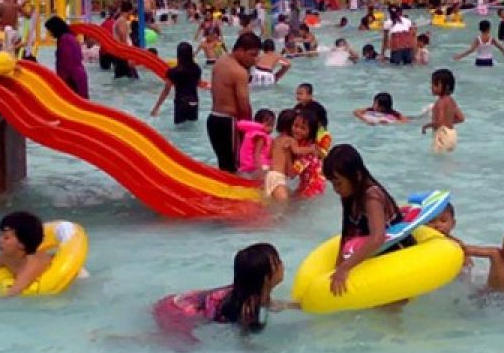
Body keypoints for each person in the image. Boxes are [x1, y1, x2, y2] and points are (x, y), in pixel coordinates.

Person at [323, 145, 410, 296]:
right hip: (377, 254)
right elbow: (347, 233)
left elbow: (378, 238)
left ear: (356, 175)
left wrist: (345, 268)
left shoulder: (371, 197)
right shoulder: (349, 195)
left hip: (397, 252)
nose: (335, 189)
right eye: (332, 184)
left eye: (338, 183)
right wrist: (337, 267)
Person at [154, 244, 292, 339]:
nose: (282, 265)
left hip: (176, 301)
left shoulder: (249, 291)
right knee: (185, 347)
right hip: (179, 313)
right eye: (278, 262)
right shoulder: (247, 308)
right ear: (266, 278)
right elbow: (242, 338)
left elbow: (268, 304)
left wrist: (295, 306)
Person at [206, 33, 261, 172]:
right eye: (252, 55)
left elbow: (213, 92)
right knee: (236, 167)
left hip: (213, 119)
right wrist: (250, 128)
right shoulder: (239, 72)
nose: (255, 60)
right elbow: (243, 104)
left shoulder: (220, 62)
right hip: (229, 123)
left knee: (224, 165)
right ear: (241, 51)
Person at [0, 211, 53, 297]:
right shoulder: (4, 257)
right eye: (0, 235)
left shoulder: (34, 263)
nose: (0, 240)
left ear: (22, 244)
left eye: (6, 237)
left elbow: (14, 292)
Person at [152, 42, 202, 123]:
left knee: (180, 128)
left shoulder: (173, 71)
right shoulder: (196, 68)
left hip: (181, 102)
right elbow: (198, 83)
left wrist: (156, 107)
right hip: (194, 101)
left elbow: (166, 91)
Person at [45, 16, 88, 99]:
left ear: (55, 28)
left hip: (73, 78)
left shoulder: (65, 40)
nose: (50, 33)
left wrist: (61, 82)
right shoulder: (70, 37)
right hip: (78, 76)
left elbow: (66, 62)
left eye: (50, 30)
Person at [422, 68, 463, 153]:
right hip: (452, 134)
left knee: (439, 158)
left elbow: (439, 122)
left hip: (442, 134)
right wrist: (448, 121)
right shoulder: (451, 101)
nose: (431, 87)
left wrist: (427, 126)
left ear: (444, 86)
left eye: (434, 84)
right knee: (447, 160)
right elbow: (461, 118)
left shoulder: (440, 102)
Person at [237, 108, 275, 176]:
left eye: (272, 125)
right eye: (268, 125)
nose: (271, 129)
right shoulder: (260, 136)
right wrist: (260, 171)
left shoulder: (250, 132)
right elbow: (256, 154)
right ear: (259, 124)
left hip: (246, 167)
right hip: (255, 168)